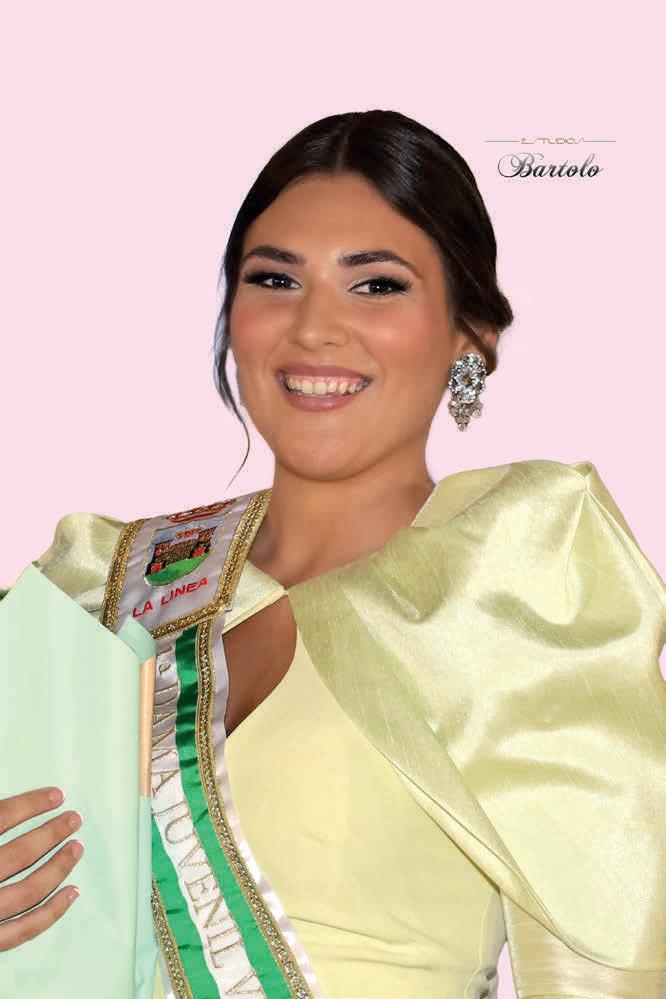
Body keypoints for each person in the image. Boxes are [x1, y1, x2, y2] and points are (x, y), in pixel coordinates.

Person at [1, 109, 665, 999]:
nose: (314, 326)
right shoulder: (103, 586)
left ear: (471, 333)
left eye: (376, 285)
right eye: (275, 278)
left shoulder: (520, 588)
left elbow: (616, 971)